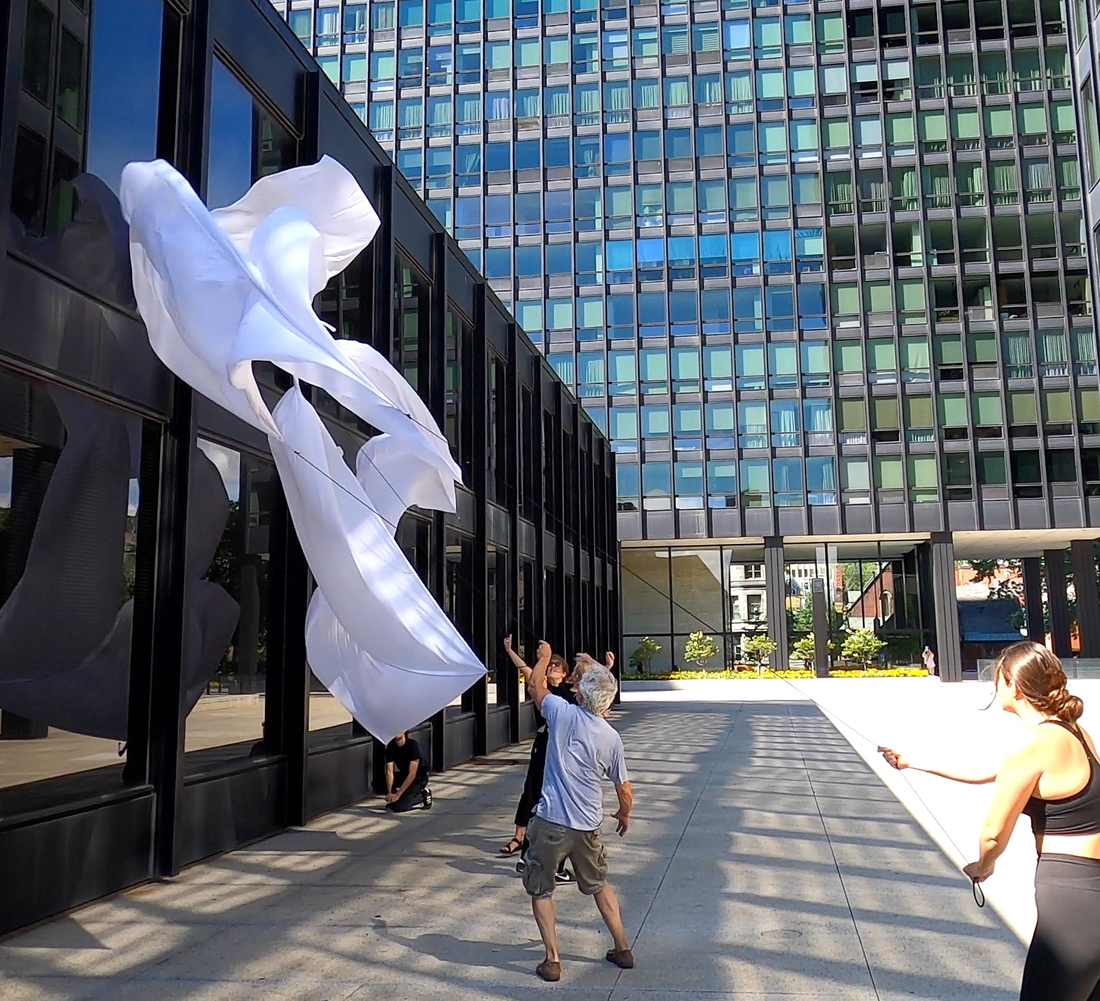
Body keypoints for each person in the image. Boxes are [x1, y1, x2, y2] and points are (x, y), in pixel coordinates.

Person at [880, 641, 1100, 1001]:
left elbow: (994, 832)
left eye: (998, 678)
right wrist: (911, 761)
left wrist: (984, 865)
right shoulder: (1073, 732)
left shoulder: (1034, 744)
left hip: (1072, 900)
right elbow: (987, 770)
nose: (995, 686)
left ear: (1014, 685)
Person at [523, 639, 634, 983]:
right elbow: (624, 788)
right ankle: (622, 947)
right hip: (588, 825)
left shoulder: (562, 713)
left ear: (582, 695)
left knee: (541, 889)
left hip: (551, 821)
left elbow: (535, 686)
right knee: (599, 884)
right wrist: (624, 814)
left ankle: (553, 959)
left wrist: (544, 658)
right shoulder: (611, 737)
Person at [499, 635, 576, 885]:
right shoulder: (542, 687)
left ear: (565, 673)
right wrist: (511, 651)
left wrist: (605, 667)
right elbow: (527, 671)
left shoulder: (570, 692)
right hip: (544, 746)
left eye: (557, 666)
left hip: (562, 749)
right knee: (535, 795)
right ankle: (527, 850)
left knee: (554, 802)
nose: (552, 668)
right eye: (550, 665)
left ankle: (537, 856)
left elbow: (594, 690)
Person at [384, 731, 433, 812]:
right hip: (404, 775)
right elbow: (389, 771)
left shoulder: (413, 745)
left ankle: (423, 794)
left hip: (419, 778)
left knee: (399, 807)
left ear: (404, 731)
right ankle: (397, 799)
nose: (397, 732)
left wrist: (398, 794)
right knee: (378, 782)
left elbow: (412, 774)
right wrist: (389, 792)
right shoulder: (391, 746)